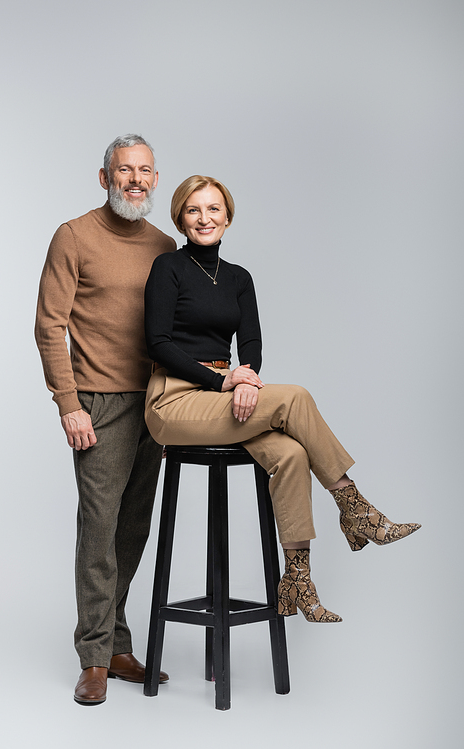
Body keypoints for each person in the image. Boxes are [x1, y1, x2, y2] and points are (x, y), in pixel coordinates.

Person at [144, 174, 421, 624]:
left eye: (214, 209)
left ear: (228, 217)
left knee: (292, 454)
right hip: (176, 400)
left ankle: (297, 580)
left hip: (229, 393)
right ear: (180, 218)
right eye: (194, 210)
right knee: (295, 398)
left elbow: (250, 341)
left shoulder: (238, 277)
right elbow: (157, 343)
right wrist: (223, 384)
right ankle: (355, 507)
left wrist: (247, 379)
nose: (204, 218)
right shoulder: (167, 269)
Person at [35, 134, 175, 706]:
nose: (134, 180)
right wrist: (68, 404)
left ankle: (117, 645)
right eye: (124, 170)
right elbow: (49, 325)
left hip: (158, 402)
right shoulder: (74, 236)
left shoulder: (166, 245)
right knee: (99, 529)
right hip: (98, 403)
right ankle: (93, 658)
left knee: (133, 528)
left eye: (144, 171)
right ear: (104, 178)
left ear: (155, 180)